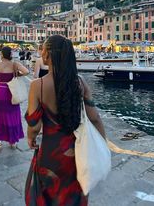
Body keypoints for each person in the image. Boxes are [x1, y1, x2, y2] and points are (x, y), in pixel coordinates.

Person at [25, 35, 106, 205]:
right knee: (72, 196)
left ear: (48, 54)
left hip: (50, 154)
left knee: (49, 197)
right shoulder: (80, 82)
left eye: (43, 49)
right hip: (75, 155)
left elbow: (34, 125)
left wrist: (30, 137)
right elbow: (95, 118)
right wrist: (102, 146)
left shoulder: (37, 86)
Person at [0, 46, 29, 150]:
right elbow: (26, 72)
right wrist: (17, 75)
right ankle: (13, 141)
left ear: (2, 54)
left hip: (0, 91)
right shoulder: (15, 64)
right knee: (13, 115)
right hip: (12, 91)